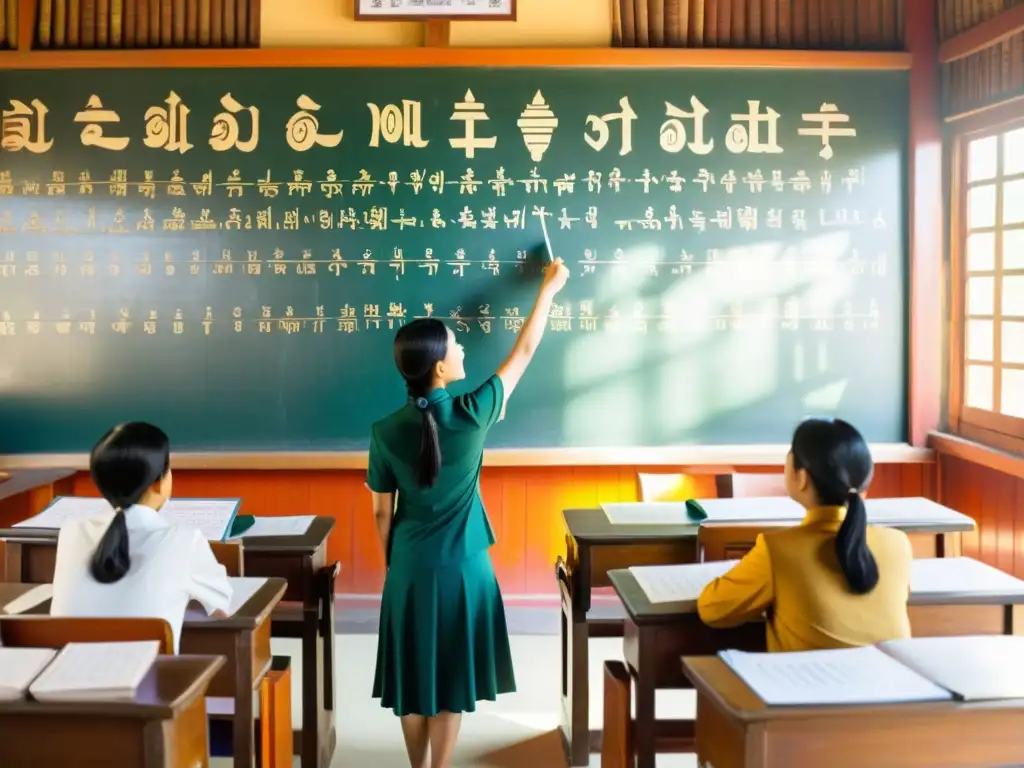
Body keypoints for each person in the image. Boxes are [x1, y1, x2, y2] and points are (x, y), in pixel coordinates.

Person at [367, 257, 570, 768]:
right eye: (455, 345)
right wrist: (549, 289)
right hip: (465, 567)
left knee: (412, 676)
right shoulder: (473, 412)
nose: (462, 349)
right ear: (439, 367)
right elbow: (524, 351)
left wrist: (393, 564)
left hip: (409, 566)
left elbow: (379, 514)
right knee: (451, 675)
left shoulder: (384, 430)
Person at [697, 417, 912, 652]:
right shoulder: (898, 544)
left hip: (807, 686)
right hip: (893, 687)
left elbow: (711, 610)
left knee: (682, 679)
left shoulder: (778, 550)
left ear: (802, 478)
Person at [51, 422, 233, 653]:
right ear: (159, 482)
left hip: (62, 682)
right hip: (145, 686)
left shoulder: (71, 533)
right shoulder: (183, 540)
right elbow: (222, 608)